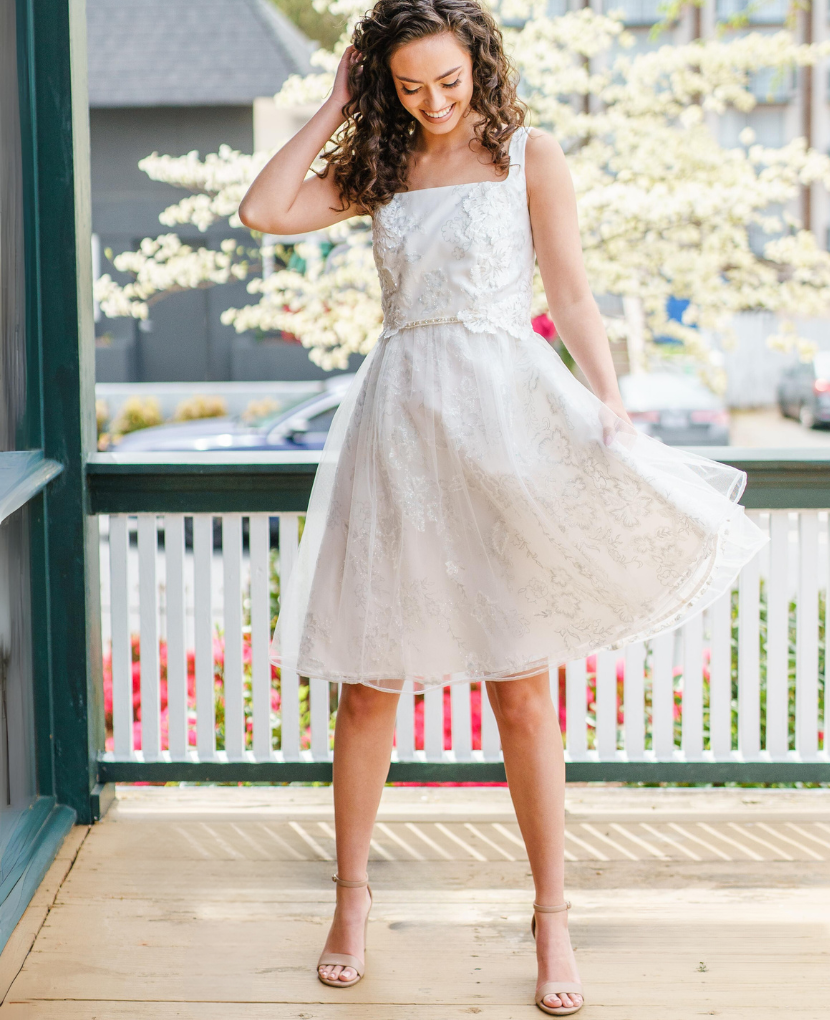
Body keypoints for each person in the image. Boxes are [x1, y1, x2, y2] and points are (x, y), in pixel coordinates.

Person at [239, 1, 766, 1013]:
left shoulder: (531, 154)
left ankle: (550, 915)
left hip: (503, 426)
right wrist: (333, 103)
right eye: (406, 87)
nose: (431, 103)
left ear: (477, 62)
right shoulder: (380, 163)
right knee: (367, 685)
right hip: (395, 431)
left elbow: (569, 292)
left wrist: (607, 398)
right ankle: (349, 902)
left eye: (446, 80)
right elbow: (266, 211)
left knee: (522, 691)